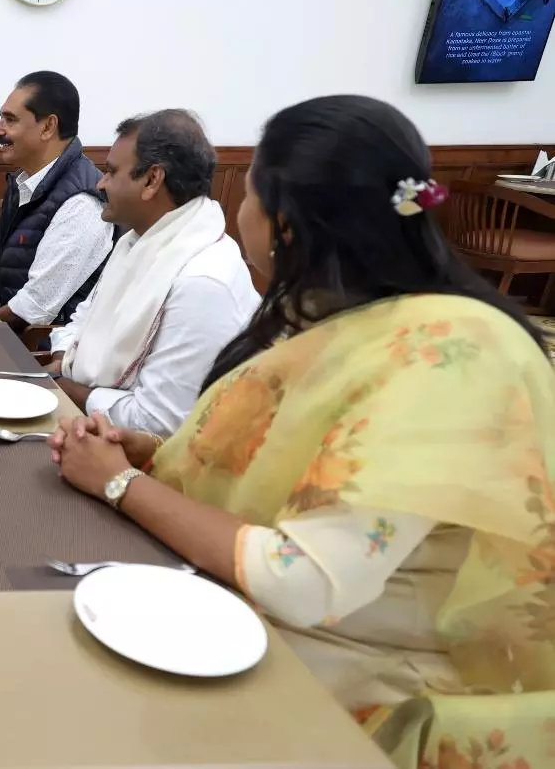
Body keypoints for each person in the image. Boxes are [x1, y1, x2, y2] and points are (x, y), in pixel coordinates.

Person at [49, 96, 555, 769]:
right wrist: (160, 456)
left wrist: (118, 483)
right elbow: (282, 460)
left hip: (356, 688)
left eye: (252, 189)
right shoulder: (336, 314)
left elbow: (302, 580)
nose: (240, 212)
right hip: (245, 626)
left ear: (287, 222)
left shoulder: (448, 355)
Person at [47, 110, 258, 437]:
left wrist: (65, 388)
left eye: (112, 172)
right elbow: (83, 318)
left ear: (151, 180)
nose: (101, 183)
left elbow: (159, 424)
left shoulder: (202, 281)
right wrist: (64, 359)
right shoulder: (139, 241)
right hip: (92, 421)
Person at [0, 71, 114, 330]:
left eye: (10, 120)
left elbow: (33, 310)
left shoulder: (81, 204)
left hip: (35, 353)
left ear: (48, 127)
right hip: (3, 331)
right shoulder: (25, 180)